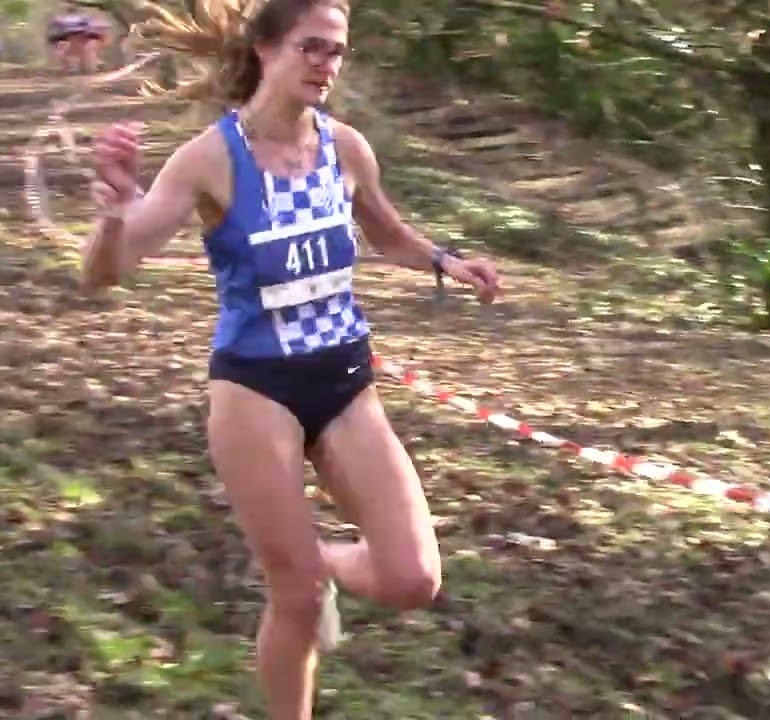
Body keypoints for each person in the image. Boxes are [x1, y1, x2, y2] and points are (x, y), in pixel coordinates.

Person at [80, 0, 502, 717]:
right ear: (268, 50)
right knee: (296, 598)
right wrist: (116, 209)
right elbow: (105, 272)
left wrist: (446, 261)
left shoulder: (347, 147)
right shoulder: (211, 158)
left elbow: (386, 233)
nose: (326, 65)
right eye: (312, 48)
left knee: (412, 579)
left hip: (344, 380)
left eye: (337, 52)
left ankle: (321, 561)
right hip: (256, 390)